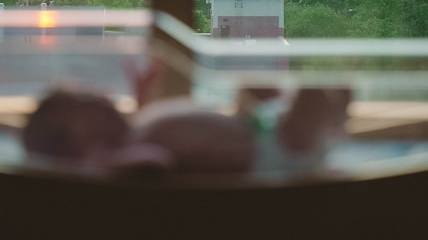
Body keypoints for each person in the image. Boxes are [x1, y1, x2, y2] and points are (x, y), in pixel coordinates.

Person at [21, 73, 350, 177]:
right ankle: (328, 134)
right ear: (82, 142)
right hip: (276, 152)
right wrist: (100, 160)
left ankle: (331, 128)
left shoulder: (138, 126)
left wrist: (143, 97)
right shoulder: (130, 150)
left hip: (257, 128)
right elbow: (155, 162)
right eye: (90, 106)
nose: (103, 98)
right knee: (314, 92)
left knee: (256, 86)